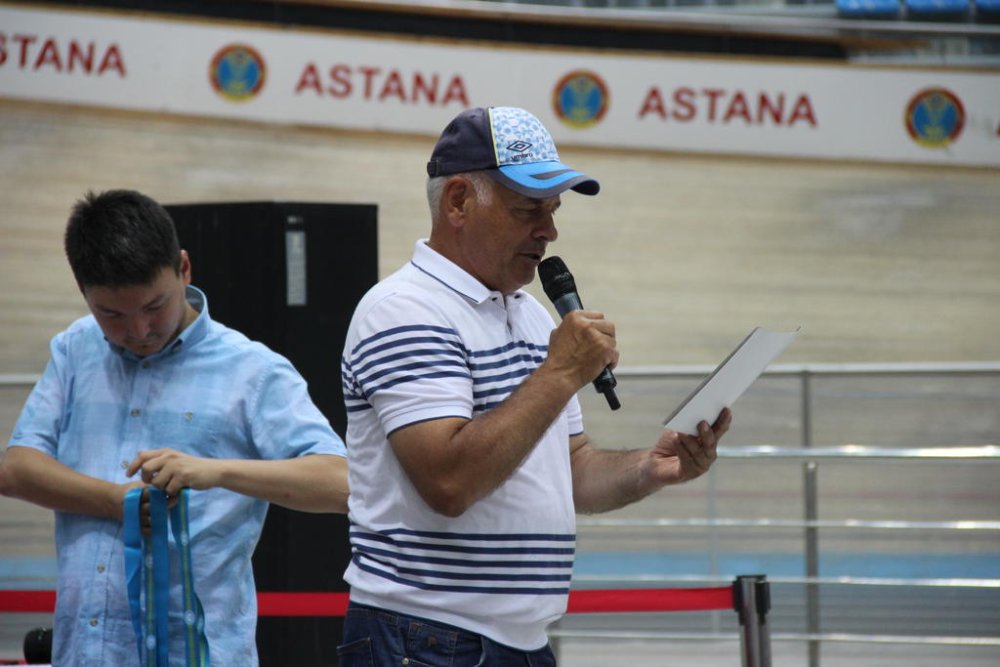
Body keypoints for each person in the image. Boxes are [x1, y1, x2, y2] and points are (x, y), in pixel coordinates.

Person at [337, 106, 732, 664]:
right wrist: (561, 372)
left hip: (515, 641)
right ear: (458, 202)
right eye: (528, 209)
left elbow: (572, 470)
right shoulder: (404, 310)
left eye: (552, 210)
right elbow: (449, 482)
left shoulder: (530, 315)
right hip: (427, 637)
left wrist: (652, 468)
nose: (549, 230)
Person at [0, 189, 349, 666]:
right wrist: (117, 502)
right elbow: (17, 469)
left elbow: (340, 482)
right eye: (112, 315)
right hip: (82, 652)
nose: (139, 330)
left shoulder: (252, 371)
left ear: (184, 268)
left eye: (155, 306)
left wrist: (216, 472)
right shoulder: (75, 350)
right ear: (83, 293)